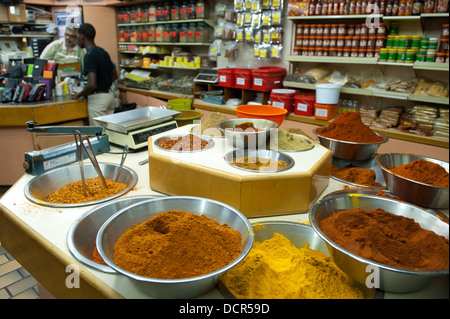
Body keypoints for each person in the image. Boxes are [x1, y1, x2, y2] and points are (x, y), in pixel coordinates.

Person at [71, 23, 117, 126]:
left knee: (99, 135)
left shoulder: (89, 55)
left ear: (82, 36)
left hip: (98, 100)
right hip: (109, 97)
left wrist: (79, 94)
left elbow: (92, 84)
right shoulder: (103, 52)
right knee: (110, 133)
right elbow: (115, 75)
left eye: (77, 36)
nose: (76, 40)